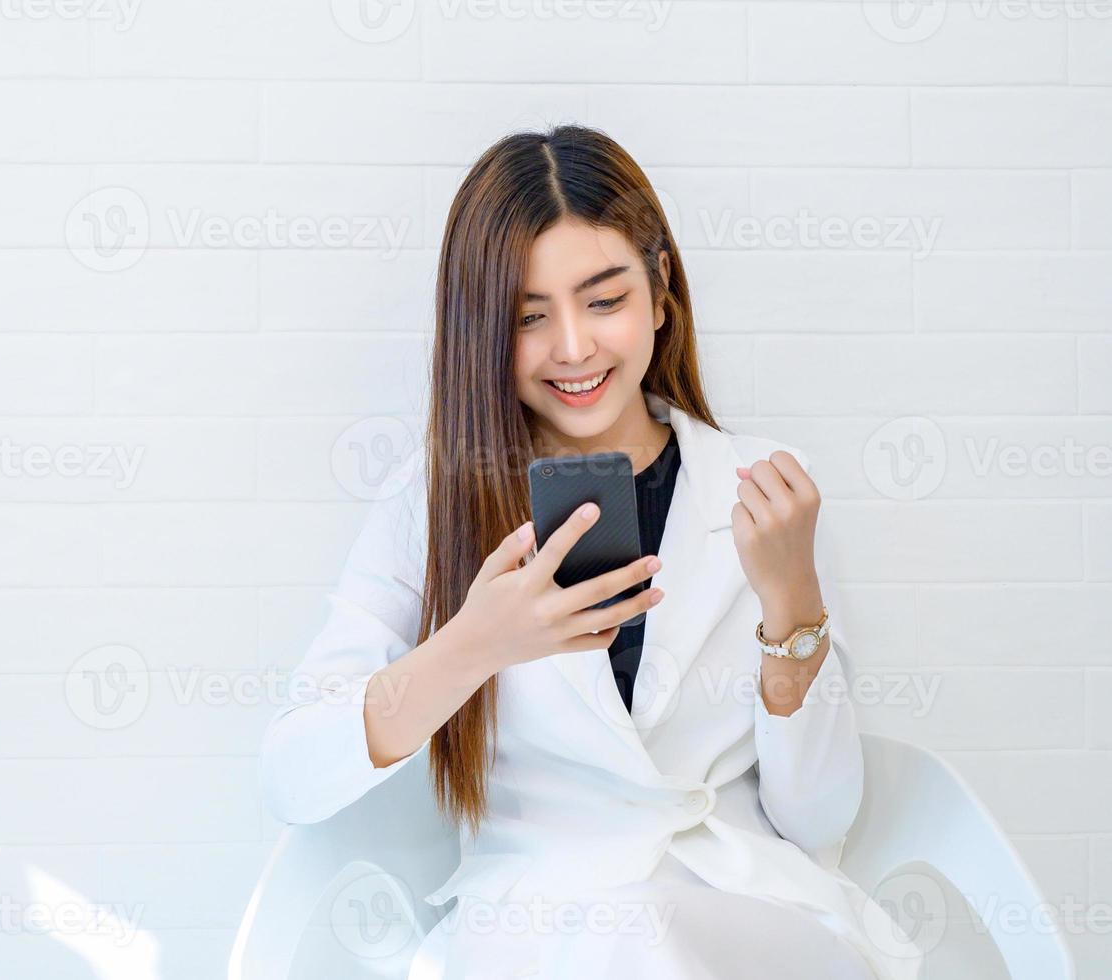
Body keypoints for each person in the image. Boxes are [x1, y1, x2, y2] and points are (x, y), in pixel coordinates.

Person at [257, 125, 922, 979]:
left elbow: (820, 821)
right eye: (528, 318)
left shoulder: (760, 493)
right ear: (480, 331)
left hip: (738, 921)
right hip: (538, 929)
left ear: (659, 291)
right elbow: (291, 775)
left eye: (603, 301)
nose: (573, 348)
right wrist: (474, 643)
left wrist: (792, 604)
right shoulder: (433, 505)